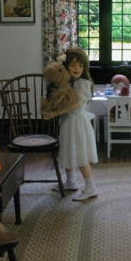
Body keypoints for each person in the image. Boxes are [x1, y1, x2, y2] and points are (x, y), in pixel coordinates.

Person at [42, 47, 98, 201]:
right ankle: (71, 182)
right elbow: (59, 61)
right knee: (69, 151)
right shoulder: (70, 82)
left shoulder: (83, 83)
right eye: (72, 65)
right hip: (68, 122)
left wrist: (55, 113)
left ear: (85, 67)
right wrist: (65, 59)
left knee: (80, 155)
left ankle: (90, 187)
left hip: (77, 122)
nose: (77, 69)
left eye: (80, 65)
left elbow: (76, 105)